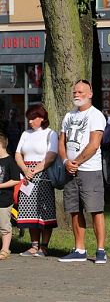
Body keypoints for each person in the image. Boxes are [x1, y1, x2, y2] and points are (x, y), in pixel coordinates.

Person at [57, 79, 108, 264]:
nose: (77, 95)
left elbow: (94, 144)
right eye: (74, 92)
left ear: (90, 93)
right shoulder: (68, 116)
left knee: (95, 210)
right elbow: (61, 141)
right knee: (74, 210)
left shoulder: (95, 115)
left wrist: (76, 162)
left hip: (89, 170)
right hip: (71, 169)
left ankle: (101, 250)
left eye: (80, 92)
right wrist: (65, 161)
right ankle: (79, 249)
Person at [15, 105, 58, 257]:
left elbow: (51, 155)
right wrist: (25, 170)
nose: (31, 122)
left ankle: (44, 246)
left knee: (44, 210)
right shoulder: (26, 134)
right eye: (29, 119)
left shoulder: (50, 133)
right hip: (26, 175)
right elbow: (18, 153)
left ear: (42, 118)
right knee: (29, 210)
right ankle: (34, 245)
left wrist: (35, 170)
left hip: (43, 175)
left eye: (33, 118)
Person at [0, 133, 21, 260]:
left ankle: (5, 249)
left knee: (4, 225)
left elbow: (16, 180)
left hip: (4, 199)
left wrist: (1, 185)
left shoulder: (10, 161)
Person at [101, 111, 110, 184]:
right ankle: (102, 177)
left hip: (107, 146)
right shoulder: (99, 126)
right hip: (100, 146)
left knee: (109, 163)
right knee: (100, 163)